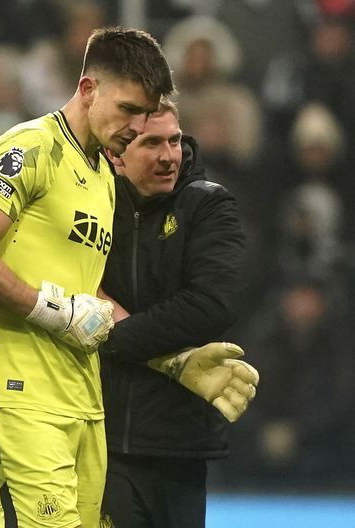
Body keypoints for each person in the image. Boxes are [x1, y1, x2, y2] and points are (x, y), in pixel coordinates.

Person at [0, 27, 174, 528]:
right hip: (19, 391)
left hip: (84, 400)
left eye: (146, 114)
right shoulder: (31, 146)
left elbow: (88, 298)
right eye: (128, 109)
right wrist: (54, 310)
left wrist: (174, 359)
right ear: (88, 89)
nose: (137, 126)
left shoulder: (103, 177)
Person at [97, 99, 256, 528]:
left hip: (179, 444)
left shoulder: (207, 205)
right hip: (100, 436)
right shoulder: (92, 205)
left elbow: (211, 306)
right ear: (116, 153)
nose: (169, 156)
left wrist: (113, 337)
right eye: (152, 143)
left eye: (174, 141)